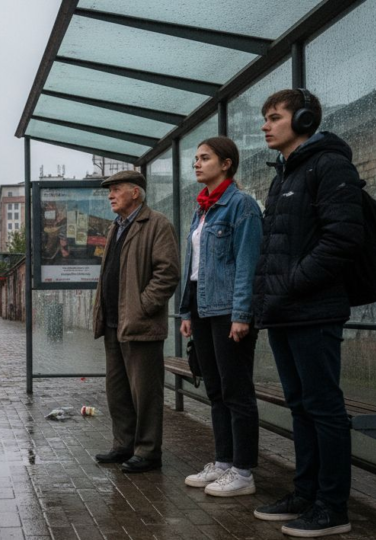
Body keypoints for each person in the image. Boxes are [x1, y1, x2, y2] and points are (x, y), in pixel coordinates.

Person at [252, 89, 364, 537]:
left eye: (274, 117)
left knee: (323, 407)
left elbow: (343, 239)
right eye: (264, 117)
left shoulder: (329, 165)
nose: (265, 125)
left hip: (313, 310)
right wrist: (271, 297)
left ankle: (333, 507)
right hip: (284, 310)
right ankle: (306, 492)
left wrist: (293, 283)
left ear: (302, 119)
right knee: (300, 405)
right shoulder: (282, 175)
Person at [179, 137, 263, 497]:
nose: (197, 164)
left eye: (205, 158)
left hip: (230, 309)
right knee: (214, 389)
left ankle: (244, 472)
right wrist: (186, 309)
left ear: (226, 163)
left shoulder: (240, 205)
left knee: (236, 390)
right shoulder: (203, 209)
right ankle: (224, 462)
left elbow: (248, 263)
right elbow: (193, 267)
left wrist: (242, 314)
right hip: (202, 306)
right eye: (195, 158)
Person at [91, 170, 180, 473]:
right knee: (117, 391)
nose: (110, 195)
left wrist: (143, 307)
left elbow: (167, 273)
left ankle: (148, 451)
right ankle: (123, 445)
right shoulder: (115, 227)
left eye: (116, 189)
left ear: (136, 193)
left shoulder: (157, 225)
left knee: (145, 393)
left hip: (140, 325)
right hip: (114, 324)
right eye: (110, 190)